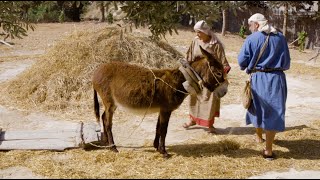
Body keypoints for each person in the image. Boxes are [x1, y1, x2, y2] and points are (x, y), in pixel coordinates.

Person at [237, 13, 291, 160]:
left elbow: (242, 61)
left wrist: (250, 66)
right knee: (274, 111)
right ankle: (268, 149)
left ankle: (259, 137)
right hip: (277, 79)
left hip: (258, 78)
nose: (249, 28)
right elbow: (286, 62)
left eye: (250, 25)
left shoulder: (252, 39)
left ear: (256, 24)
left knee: (257, 107)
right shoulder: (280, 37)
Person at [182, 20, 231, 133]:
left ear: (205, 32)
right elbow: (189, 56)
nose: (197, 34)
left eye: (199, 32)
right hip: (196, 75)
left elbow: (223, 63)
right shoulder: (195, 41)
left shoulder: (216, 44)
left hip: (210, 79)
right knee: (194, 98)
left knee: (209, 100)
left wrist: (221, 76)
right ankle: (192, 120)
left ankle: (209, 124)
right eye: (196, 32)